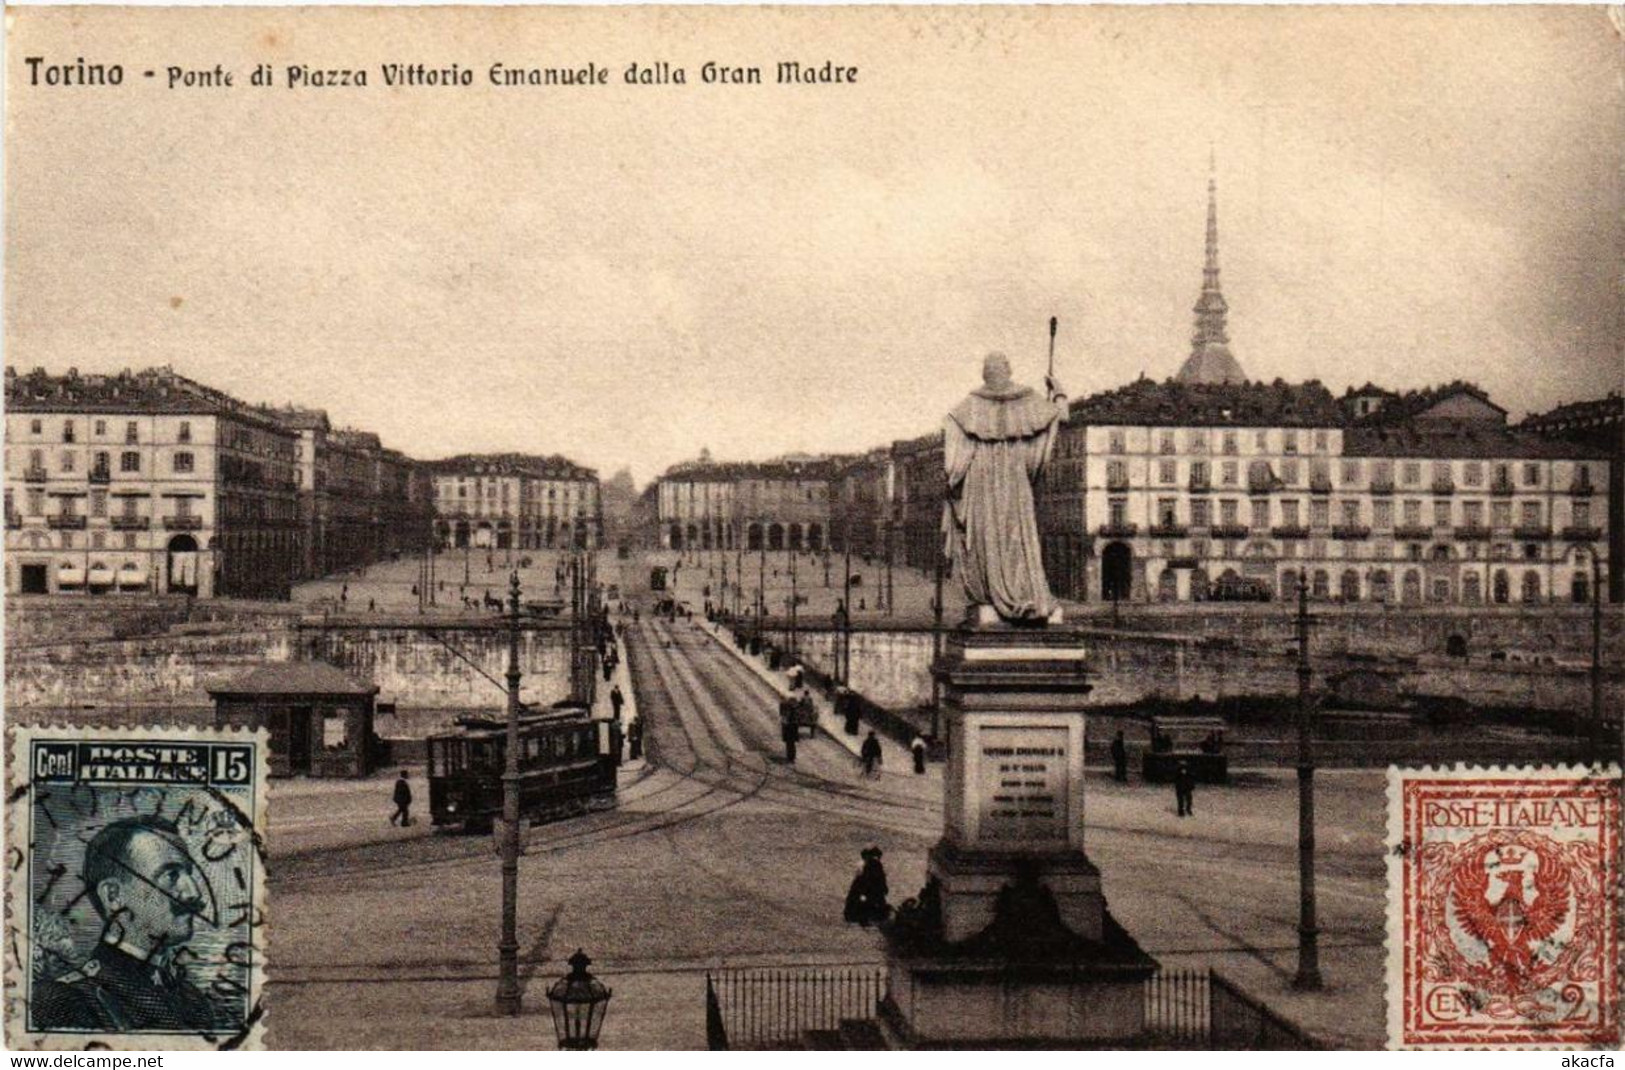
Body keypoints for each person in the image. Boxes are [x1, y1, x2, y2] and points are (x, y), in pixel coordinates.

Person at [31, 816, 221, 1031]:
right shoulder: (66, 999)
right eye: (171, 875)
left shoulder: (194, 1002)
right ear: (113, 896)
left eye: (189, 873)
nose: (194, 893)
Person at [942, 352, 1068, 622]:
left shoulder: (969, 406)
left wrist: (953, 484)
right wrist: (1058, 394)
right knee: (1016, 534)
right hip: (1015, 480)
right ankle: (1024, 591)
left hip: (982, 481)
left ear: (985, 373)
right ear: (1008, 371)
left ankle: (992, 594)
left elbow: (953, 464)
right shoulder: (1027, 400)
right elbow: (1057, 418)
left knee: (986, 537)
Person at [843, 847, 890, 926]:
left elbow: (879, 880)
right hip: (868, 892)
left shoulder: (873, 866)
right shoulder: (870, 866)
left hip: (871, 891)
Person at [780, 700, 799, 764]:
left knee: (789, 746)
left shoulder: (790, 716)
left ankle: (790, 757)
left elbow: (785, 724)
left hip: (789, 733)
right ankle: (792, 757)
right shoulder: (795, 716)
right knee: (792, 746)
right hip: (792, 733)